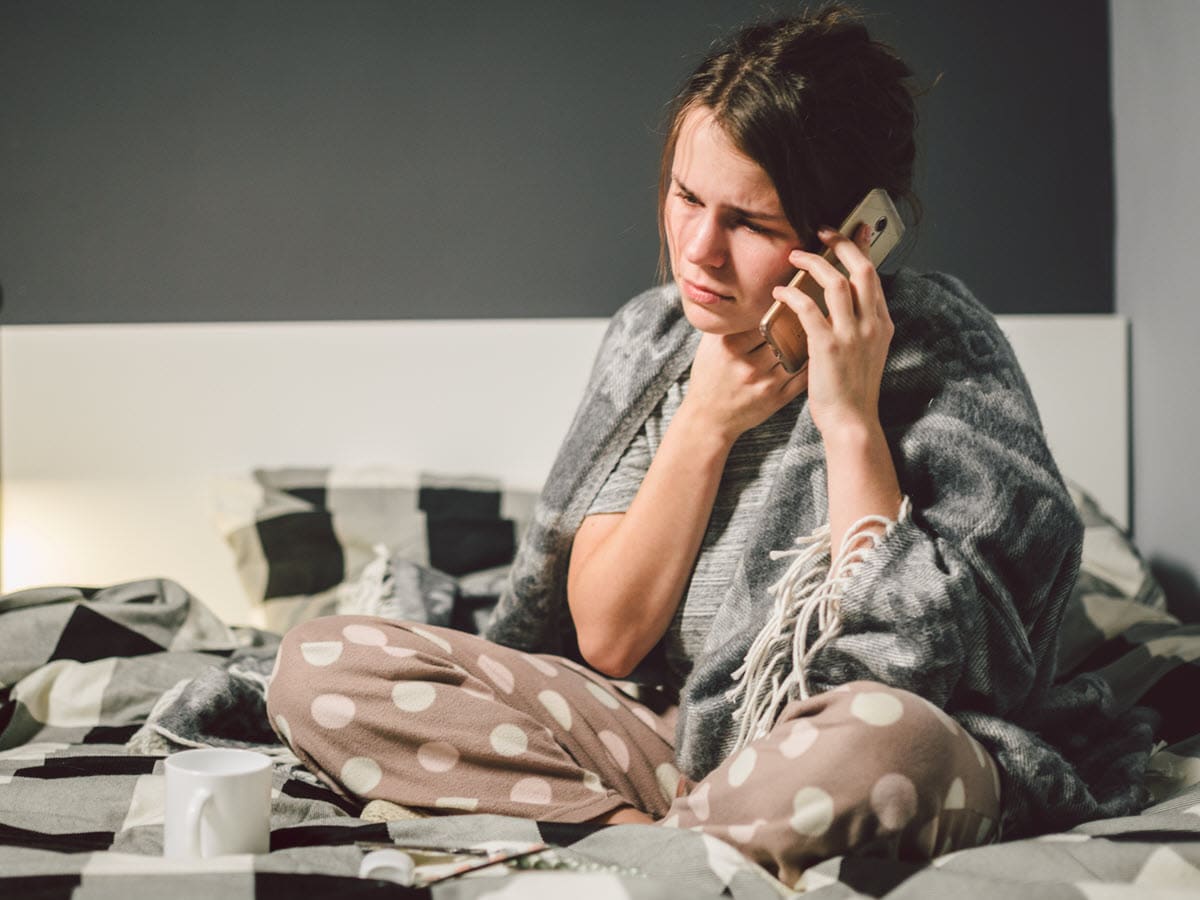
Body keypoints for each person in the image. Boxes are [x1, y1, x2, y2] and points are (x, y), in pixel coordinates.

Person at [266, 5, 1151, 887]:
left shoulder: (943, 353)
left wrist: (849, 419)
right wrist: (704, 423)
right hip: (662, 737)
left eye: (751, 223)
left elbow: (918, 664)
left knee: (896, 741)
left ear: (852, 235)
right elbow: (606, 642)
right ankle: (662, 852)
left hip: (841, 748)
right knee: (319, 665)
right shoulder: (651, 345)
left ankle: (626, 851)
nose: (697, 250)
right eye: (687, 197)